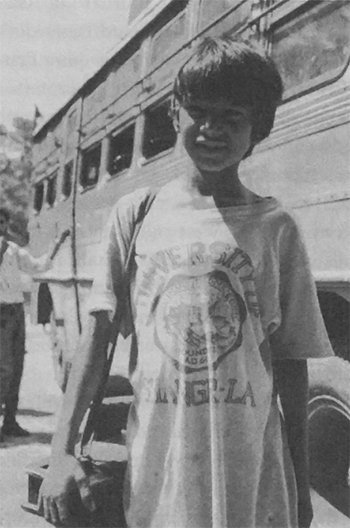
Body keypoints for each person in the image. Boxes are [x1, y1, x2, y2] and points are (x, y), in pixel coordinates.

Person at [39, 36, 334, 527]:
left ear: (258, 126)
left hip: (252, 472)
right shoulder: (136, 214)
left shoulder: (276, 227)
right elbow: (97, 340)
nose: (211, 129)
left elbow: (291, 365)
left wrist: (301, 489)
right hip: (160, 466)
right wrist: (61, 452)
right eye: (198, 111)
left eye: (232, 117)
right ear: (175, 114)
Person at [0, 206, 69, 441]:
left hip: (15, 311)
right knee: (3, 369)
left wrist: (58, 243)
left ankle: (9, 421)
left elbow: (38, 266)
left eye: (2, 223)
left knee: (17, 366)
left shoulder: (13, 251)